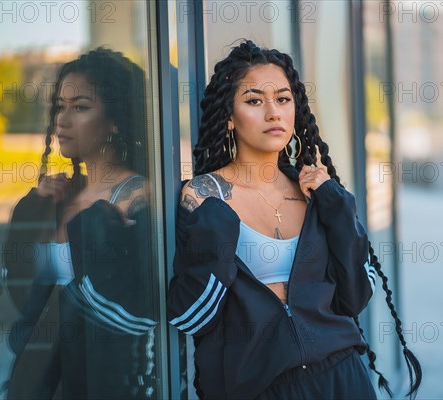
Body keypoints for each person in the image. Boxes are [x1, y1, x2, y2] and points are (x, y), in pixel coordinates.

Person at [166, 40, 421, 399]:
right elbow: (193, 316)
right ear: (228, 116)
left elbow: (356, 296)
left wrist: (337, 205)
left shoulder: (314, 193)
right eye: (254, 100)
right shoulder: (203, 197)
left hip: (342, 376)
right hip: (257, 389)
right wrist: (217, 230)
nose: (274, 113)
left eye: (283, 99)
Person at [3, 48, 158, 399]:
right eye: (60, 106)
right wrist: (34, 210)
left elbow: (138, 310)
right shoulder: (63, 196)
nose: (63, 120)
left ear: (115, 119)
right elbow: (23, 289)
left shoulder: (136, 199)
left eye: (81, 107)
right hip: (46, 378)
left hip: (106, 381)